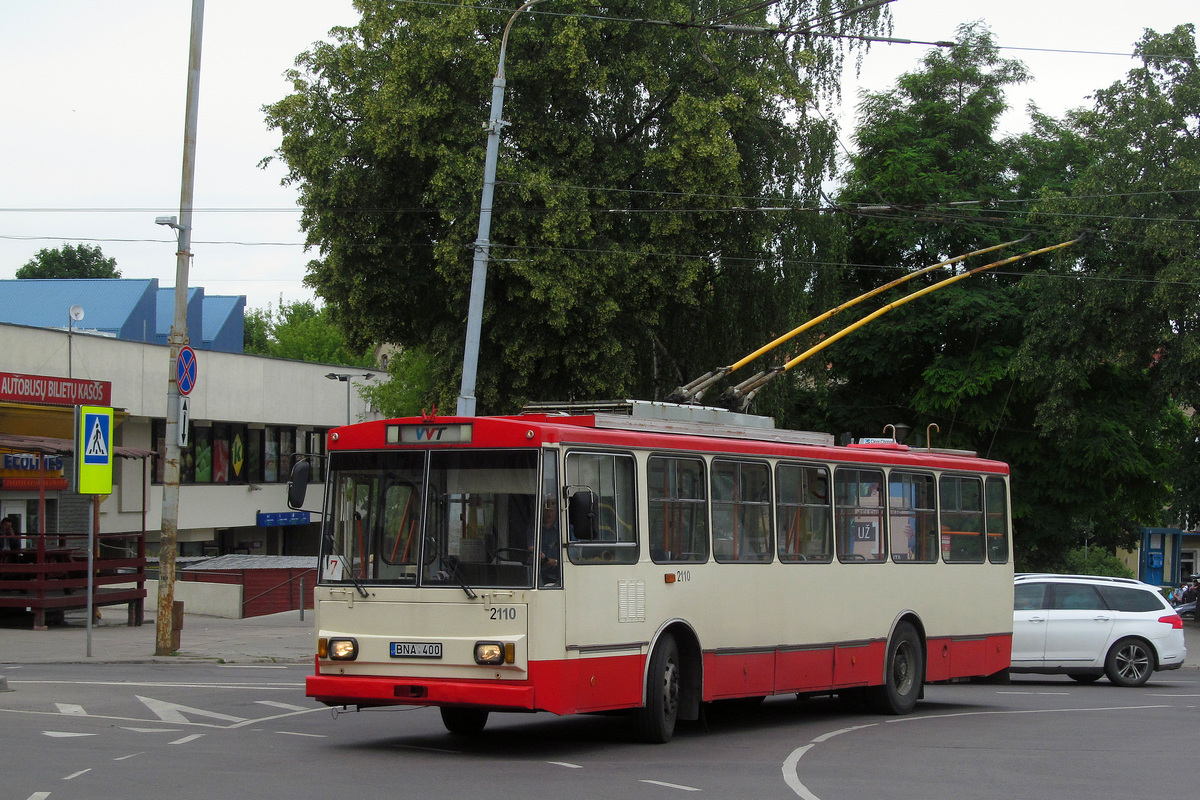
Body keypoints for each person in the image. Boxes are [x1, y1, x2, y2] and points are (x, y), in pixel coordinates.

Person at [529, 496, 561, 586]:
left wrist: (555, 562)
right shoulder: (533, 529)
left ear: (558, 510)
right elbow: (530, 548)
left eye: (551, 509)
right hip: (536, 575)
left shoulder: (567, 530)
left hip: (560, 577)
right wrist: (535, 553)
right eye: (545, 509)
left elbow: (575, 556)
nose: (548, 513)